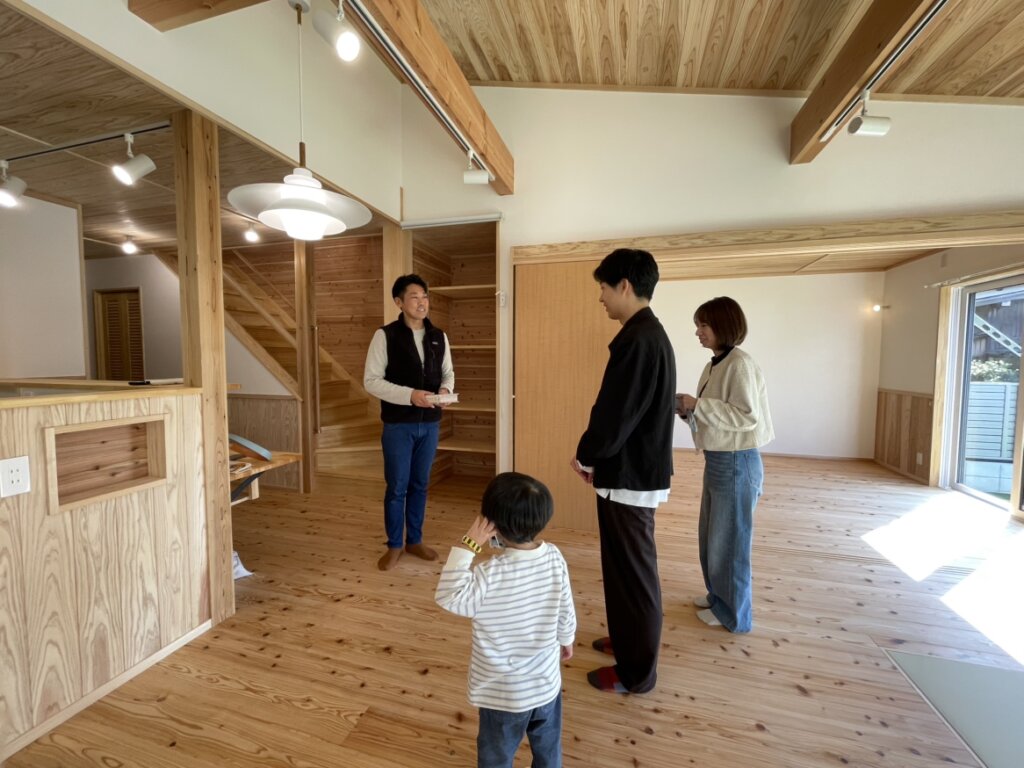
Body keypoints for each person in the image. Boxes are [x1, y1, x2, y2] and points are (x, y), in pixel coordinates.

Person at [570, 248, 676, 695]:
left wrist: (586, 455)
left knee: (634, 576)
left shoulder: (639, 339)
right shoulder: (646, 334)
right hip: (630, 473)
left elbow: (616, 415)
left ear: (625, 286)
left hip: (630, 476)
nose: (601, 297)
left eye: (604, 287)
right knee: (621, 570)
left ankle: (637, 674)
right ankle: (627, 641)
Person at [435, 472, 576, 768]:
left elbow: (448, 595)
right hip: (545, 685)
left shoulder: (488, 576)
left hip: (503, 695)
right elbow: (566, 607)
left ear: (491, 525)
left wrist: (469, 544)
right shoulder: (554, 557)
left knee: (496, 756)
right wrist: (567, 638)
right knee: (548, 749)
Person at [676, 296, 774, 633]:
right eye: (698, 326)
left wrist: (698, 405)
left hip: (737, 461)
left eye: (703, 325)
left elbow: (747, 416)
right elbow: (716, 414)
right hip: (719, 460)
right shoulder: (716, 363)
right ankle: (718, 597)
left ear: (723, 325)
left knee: (730, 542)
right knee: (712, 537)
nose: (698, 332)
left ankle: (734, 615)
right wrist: (690, 410)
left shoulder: (739, 364)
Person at [364, 274, 454, 571]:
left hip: (430, 424)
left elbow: (448, 373)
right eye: (414, 297)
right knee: (397, 486)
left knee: (420, 484)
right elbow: (371, 381)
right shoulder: (385, 336)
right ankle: (394, 545)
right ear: (399, 302)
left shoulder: (438, 336)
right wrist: (410, 395)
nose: (422, 302)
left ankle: (415, 540)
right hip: (398, 425)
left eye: (425, 296)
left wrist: (445, 390)